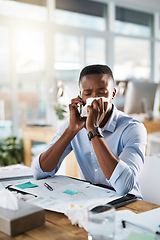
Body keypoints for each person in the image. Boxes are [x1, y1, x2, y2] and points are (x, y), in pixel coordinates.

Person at [32, 64, 147, 199]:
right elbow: (39, 172)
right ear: (80, 96)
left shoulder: (132, 128)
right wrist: (71, 130)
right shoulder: (74, 124)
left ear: (113, 94)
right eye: (87, 93)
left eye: (102, 92)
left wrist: (94, 130)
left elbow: (123, 187)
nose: (95, 99)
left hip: (127, 204)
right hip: (92, 199)